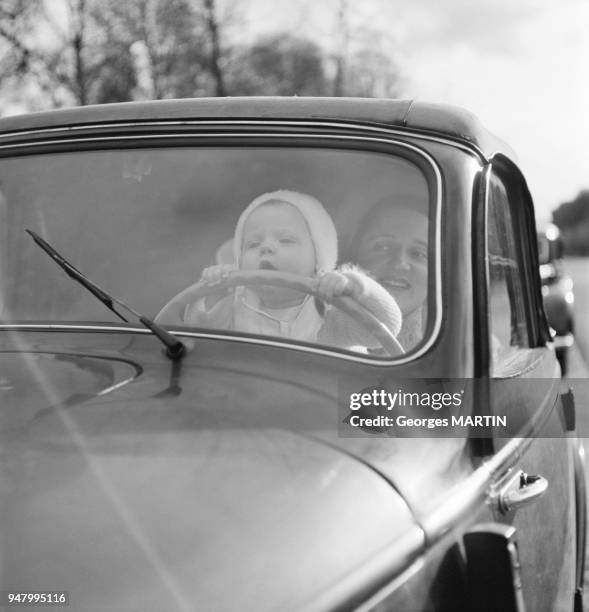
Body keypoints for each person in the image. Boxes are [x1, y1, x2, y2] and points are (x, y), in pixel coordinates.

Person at [183, 189, 402, 351]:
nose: (266, 247)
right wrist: (208, 291)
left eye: (286, 240)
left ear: (319, 259)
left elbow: (384, 330)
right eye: (252, 244)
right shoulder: (233, 307)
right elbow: (194, 339)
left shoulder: (330, 312)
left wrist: (355, 286)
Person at [350, 200, 428, 350]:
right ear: (355, 256)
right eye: (383, 247)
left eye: (418, 253)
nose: (400, 263)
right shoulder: (313, 322)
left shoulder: (445, 346)